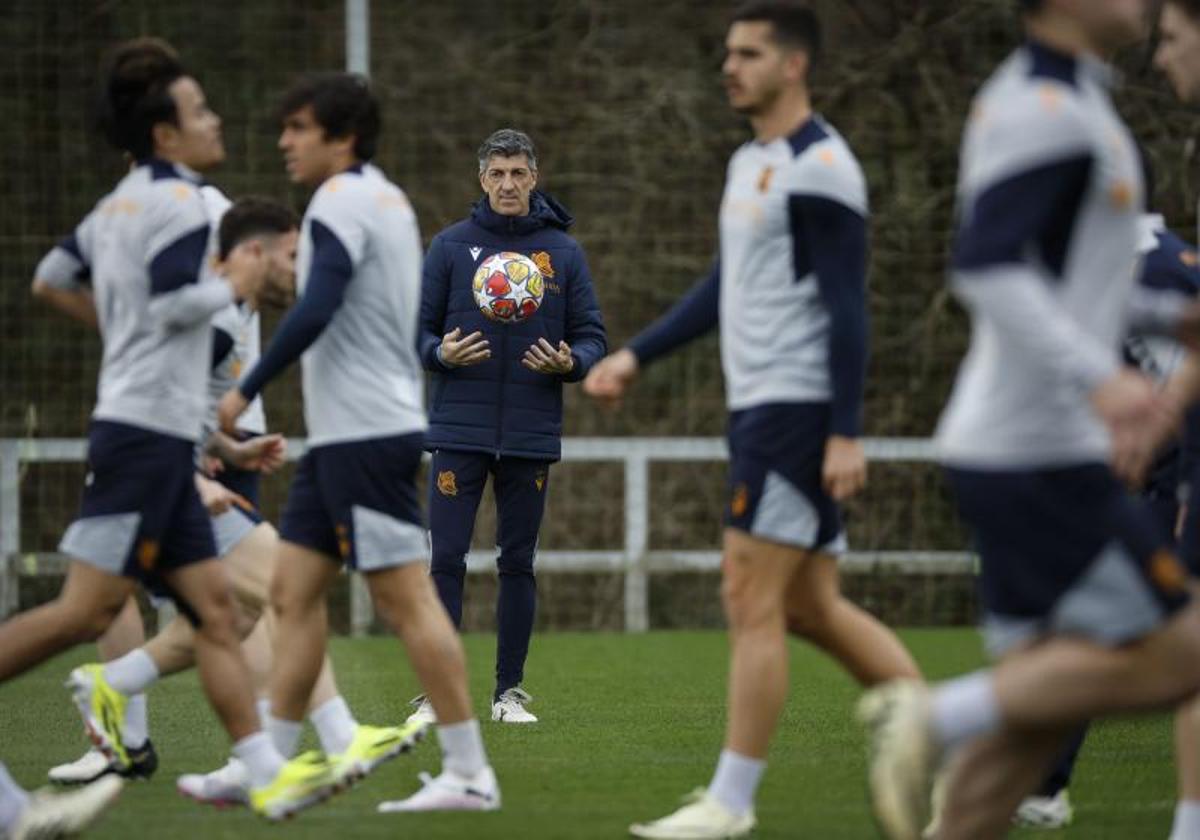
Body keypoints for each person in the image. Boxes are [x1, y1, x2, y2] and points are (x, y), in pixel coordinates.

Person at [857, 2, 1200, 838]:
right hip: (1038, 450)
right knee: (1184, 653)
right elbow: (985, 266)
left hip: (1025, 448)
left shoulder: (1082, 103)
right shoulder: (1036, 109)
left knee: (1031, 728)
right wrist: (1103, 378)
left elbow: (1069, 279)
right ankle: (932, 717)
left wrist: (1165, 317)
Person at [583, 3, 921, 837]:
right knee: (810, 607)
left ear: (794, 65)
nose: (728, 66)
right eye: (726, 52)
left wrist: (845, 429)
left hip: (796, 410)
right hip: (763, 409)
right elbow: (725, 285)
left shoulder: (824, 167)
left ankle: (730, 803)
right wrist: (637, 353)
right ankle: (949, 744)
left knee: (747, 594)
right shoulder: (750, 162)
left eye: (748, 53)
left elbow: (849, 309)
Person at [3, 37, 334, 821]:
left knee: (218, 616)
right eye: (200, 110)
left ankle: (265, 768)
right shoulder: (188, 204)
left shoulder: (113, 206)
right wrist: (228, 287)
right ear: (164, 134)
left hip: (147, 428)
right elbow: (163, 306)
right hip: (143, 438)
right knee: (85, 614)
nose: (215, 121)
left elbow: (51, 280)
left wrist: (140, 353)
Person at [217, 72, 501, 812]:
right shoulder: (384, 199)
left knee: (407, 601)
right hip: (348, 435)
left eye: (299, 128)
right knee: (293, 591)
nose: (285, 140)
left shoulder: (340, 200)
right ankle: (272, 763)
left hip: (367, 437)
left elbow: (320, 302)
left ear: (342, 138)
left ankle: (469, 772)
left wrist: (245, 389)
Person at [410, 128, 606, 726]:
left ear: (534, 177)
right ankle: (438, 696)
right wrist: (441, 354)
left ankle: (508, 693)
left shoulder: (562, 254)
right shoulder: (449, 247)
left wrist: (573, 363)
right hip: (457, 431)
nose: (508, 184)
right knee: (445, 559)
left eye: (518, 173)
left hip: (529, 432)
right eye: (497, 174)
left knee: (517, 562)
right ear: (481, 179)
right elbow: (412, 334)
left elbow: (593, 335)